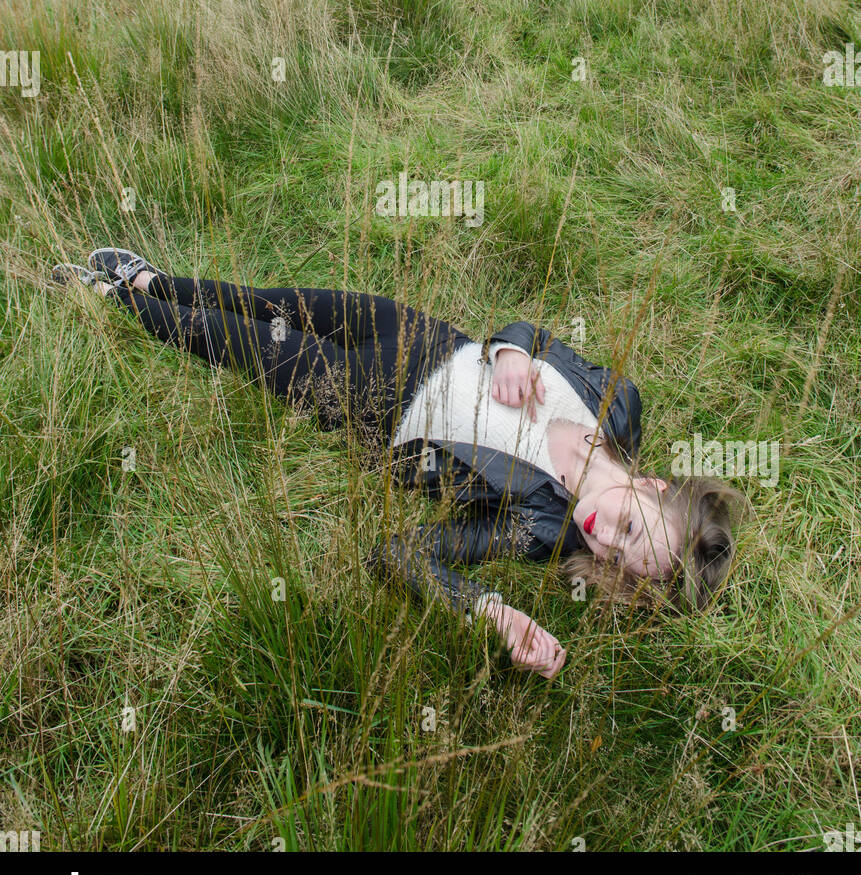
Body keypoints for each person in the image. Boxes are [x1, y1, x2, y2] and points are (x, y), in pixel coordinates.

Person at [52, 249, 743, 679]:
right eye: (628, 527)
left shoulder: (537, 529)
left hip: (376, 406)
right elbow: (531, 334)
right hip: (420, 335)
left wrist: (489, 610)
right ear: (652, 486)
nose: (601, 537)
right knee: (277, 302)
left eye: (618, 561)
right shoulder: (618, 405)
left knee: (241, 343)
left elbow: (398, 555)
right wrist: (510, 352)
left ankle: (114, 298)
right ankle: (154, 278)